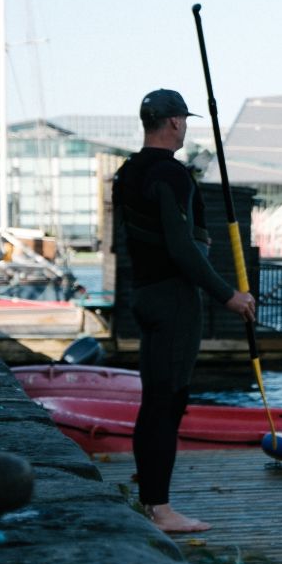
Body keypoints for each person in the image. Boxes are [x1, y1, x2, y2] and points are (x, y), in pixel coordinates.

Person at [112, 89, 256, 533]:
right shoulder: (170, 175)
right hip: (173, 298)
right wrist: (228, 295)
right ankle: (160, 508)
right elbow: (181, 248)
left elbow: (153, 239)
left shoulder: (126, 173)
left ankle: (149, 496)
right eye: (184, 121)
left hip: (144, 293)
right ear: (174, 122)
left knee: (154, 400)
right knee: (167, 401)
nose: (186, 127)